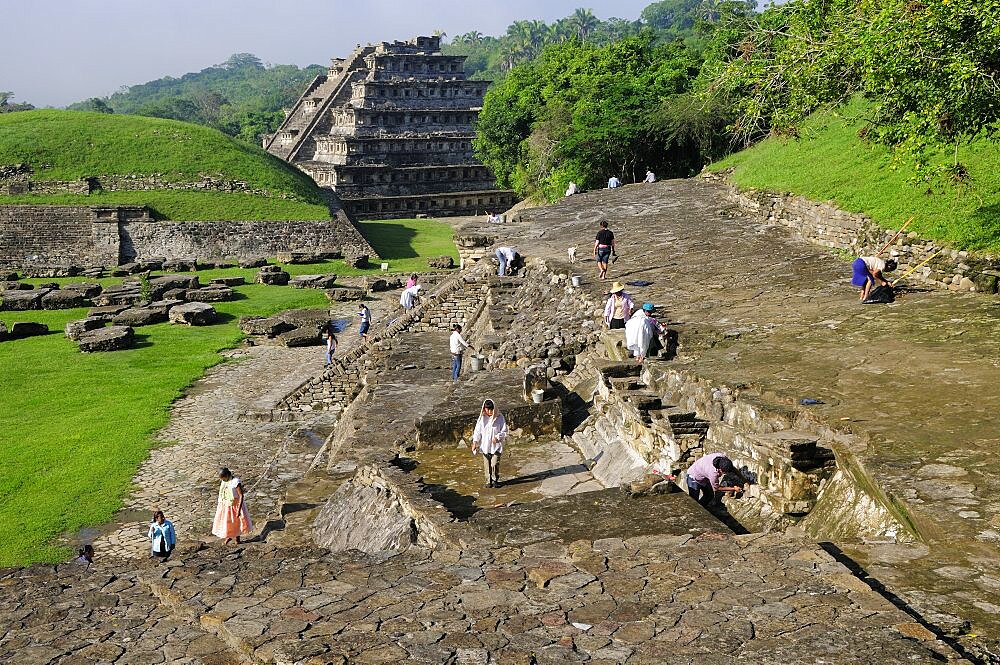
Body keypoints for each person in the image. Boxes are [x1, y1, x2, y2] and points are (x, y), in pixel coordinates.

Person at [471, 399, 507, 488]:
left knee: (494, 464)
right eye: (487, 409)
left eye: (491, 409)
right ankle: (488, 481)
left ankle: (495, 480)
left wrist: (498, 437)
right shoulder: (482, 419)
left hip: (496, 447)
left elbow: (504, 431)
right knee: (487, 465)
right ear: (484, 409)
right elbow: (477, 432)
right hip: (485, 447)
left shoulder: (500, 418)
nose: (489, 411)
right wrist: (475, 442)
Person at [212, 467, 252, 545]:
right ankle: (228, 536)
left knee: (236, 522)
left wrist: (239, 509)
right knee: (227, 522)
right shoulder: (224, 481)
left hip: (235, 505)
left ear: (227, 475)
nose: (222, 480)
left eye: (223, 478)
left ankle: (237, 539)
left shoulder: (235, 482)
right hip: (226, 505)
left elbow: (241, 495)